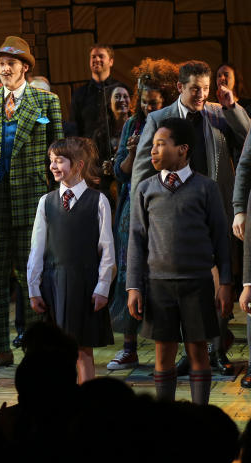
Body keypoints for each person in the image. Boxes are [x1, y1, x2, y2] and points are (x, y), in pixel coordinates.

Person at [131, 60, 249, 376]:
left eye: (206, 89)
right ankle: (189, 351)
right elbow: (142, 172)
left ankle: (215, 350)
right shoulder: (159, 118)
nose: (201, 95)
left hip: (213, 208)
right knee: (186, 285)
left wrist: (232, 107)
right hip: (172, 215)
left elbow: (249, 139)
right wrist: (140, 216)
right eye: (195, 89)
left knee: (219, 281)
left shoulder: (217, 112)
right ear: (181, 87)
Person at [0, 36, 64, 371]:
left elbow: (58, 154)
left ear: (25, 67)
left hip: (32, 199)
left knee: (32, 276)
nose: (5, 68)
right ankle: (0, 348)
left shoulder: (46, 101)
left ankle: (36, 347)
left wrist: (56, 199)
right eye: (1, 63)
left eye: (11, 63)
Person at [127, 117, 231, 405]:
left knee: (198, 350)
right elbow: (136, 240)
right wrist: (133, 287)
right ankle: (166, 417)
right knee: (163, 353)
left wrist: (225, 282)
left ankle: (199, 417)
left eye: (161, 144)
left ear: (183, 149)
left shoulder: (206, 188)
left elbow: (221, 238)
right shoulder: (145, 189)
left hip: (197, 284)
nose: (153, 151)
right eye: (152, 145)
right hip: (158, 286)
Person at [107, 58, 178, 370]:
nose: (148, 108)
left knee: (165, 275)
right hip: (132, 207)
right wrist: (134, 153)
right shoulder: (132, 126)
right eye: (144, 102)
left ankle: (173, 347)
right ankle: (129, 346)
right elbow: (120, 174)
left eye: (154, 103)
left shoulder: (174, 126)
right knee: (129, 271)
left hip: (166, 209)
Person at [27, 137, 115, 384]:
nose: (53, 166)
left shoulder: (98, 201)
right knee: (57, 351)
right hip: (54, 283)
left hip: (84, 283)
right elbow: (37, 249)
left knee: (82, 349)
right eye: (51, 161)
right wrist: (34, 288)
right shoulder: (47, 202)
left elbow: (107, 249)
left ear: (78, 165)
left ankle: (85, 406)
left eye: (59, 161)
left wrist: (103, 287)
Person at [70, 44, 118, 143]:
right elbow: (74, 127)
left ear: (111, 62)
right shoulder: (79, 94)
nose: (96, 59)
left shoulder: (121, 89)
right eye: (93, 57)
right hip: (88, 151)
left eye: (101, 56)